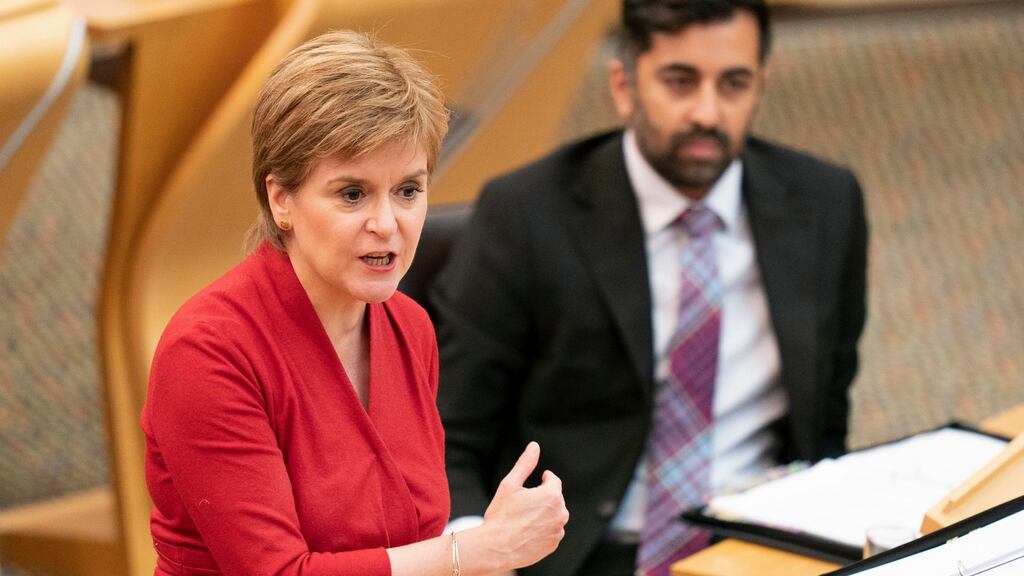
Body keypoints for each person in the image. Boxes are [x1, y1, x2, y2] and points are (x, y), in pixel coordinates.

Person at [432, 1, 868, 575]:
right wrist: (479, 557)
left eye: (734, 84)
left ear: (761, 85)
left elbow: (826, 415)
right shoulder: (526, 215)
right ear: (624, 86)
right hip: (582, 553)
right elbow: (448, 434)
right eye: (679, 82)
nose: (707, 113)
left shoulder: (825, 205)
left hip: (762, 546)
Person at [142, 30, 568, 576]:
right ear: (281, 200)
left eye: (408, 191)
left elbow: (411, 538)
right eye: (352, 193)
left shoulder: (410, 326)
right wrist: (473, 551)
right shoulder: (208, 351)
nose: (387, 225)